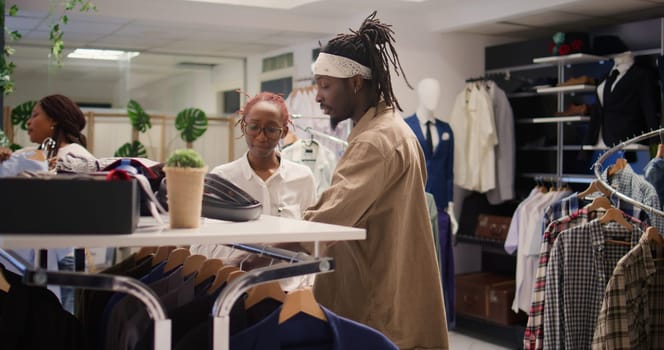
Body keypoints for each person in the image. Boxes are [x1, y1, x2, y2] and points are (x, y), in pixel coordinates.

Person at [303, 11, 448, 349]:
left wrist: (261, 252)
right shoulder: (394, 129)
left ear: (355, 83)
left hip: (374, 301)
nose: (318, 97)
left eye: (325, 86)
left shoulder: (374, 141)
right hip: (393, 290)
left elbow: (329, 221)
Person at [190, 92, 317, 260]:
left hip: (289, 283)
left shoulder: (302, 178)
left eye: (271, 129)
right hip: (238, 281)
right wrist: (245, 258)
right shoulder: (222, 179)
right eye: (254, 127)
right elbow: (201, 246)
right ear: (243, 126)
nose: (262, 137)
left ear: (283, 132)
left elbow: (312, 240)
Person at [0, 94, 97, 173]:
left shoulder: (78, 157)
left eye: (35, 115)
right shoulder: (24, 154)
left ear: (54, 120)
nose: (28, 122)